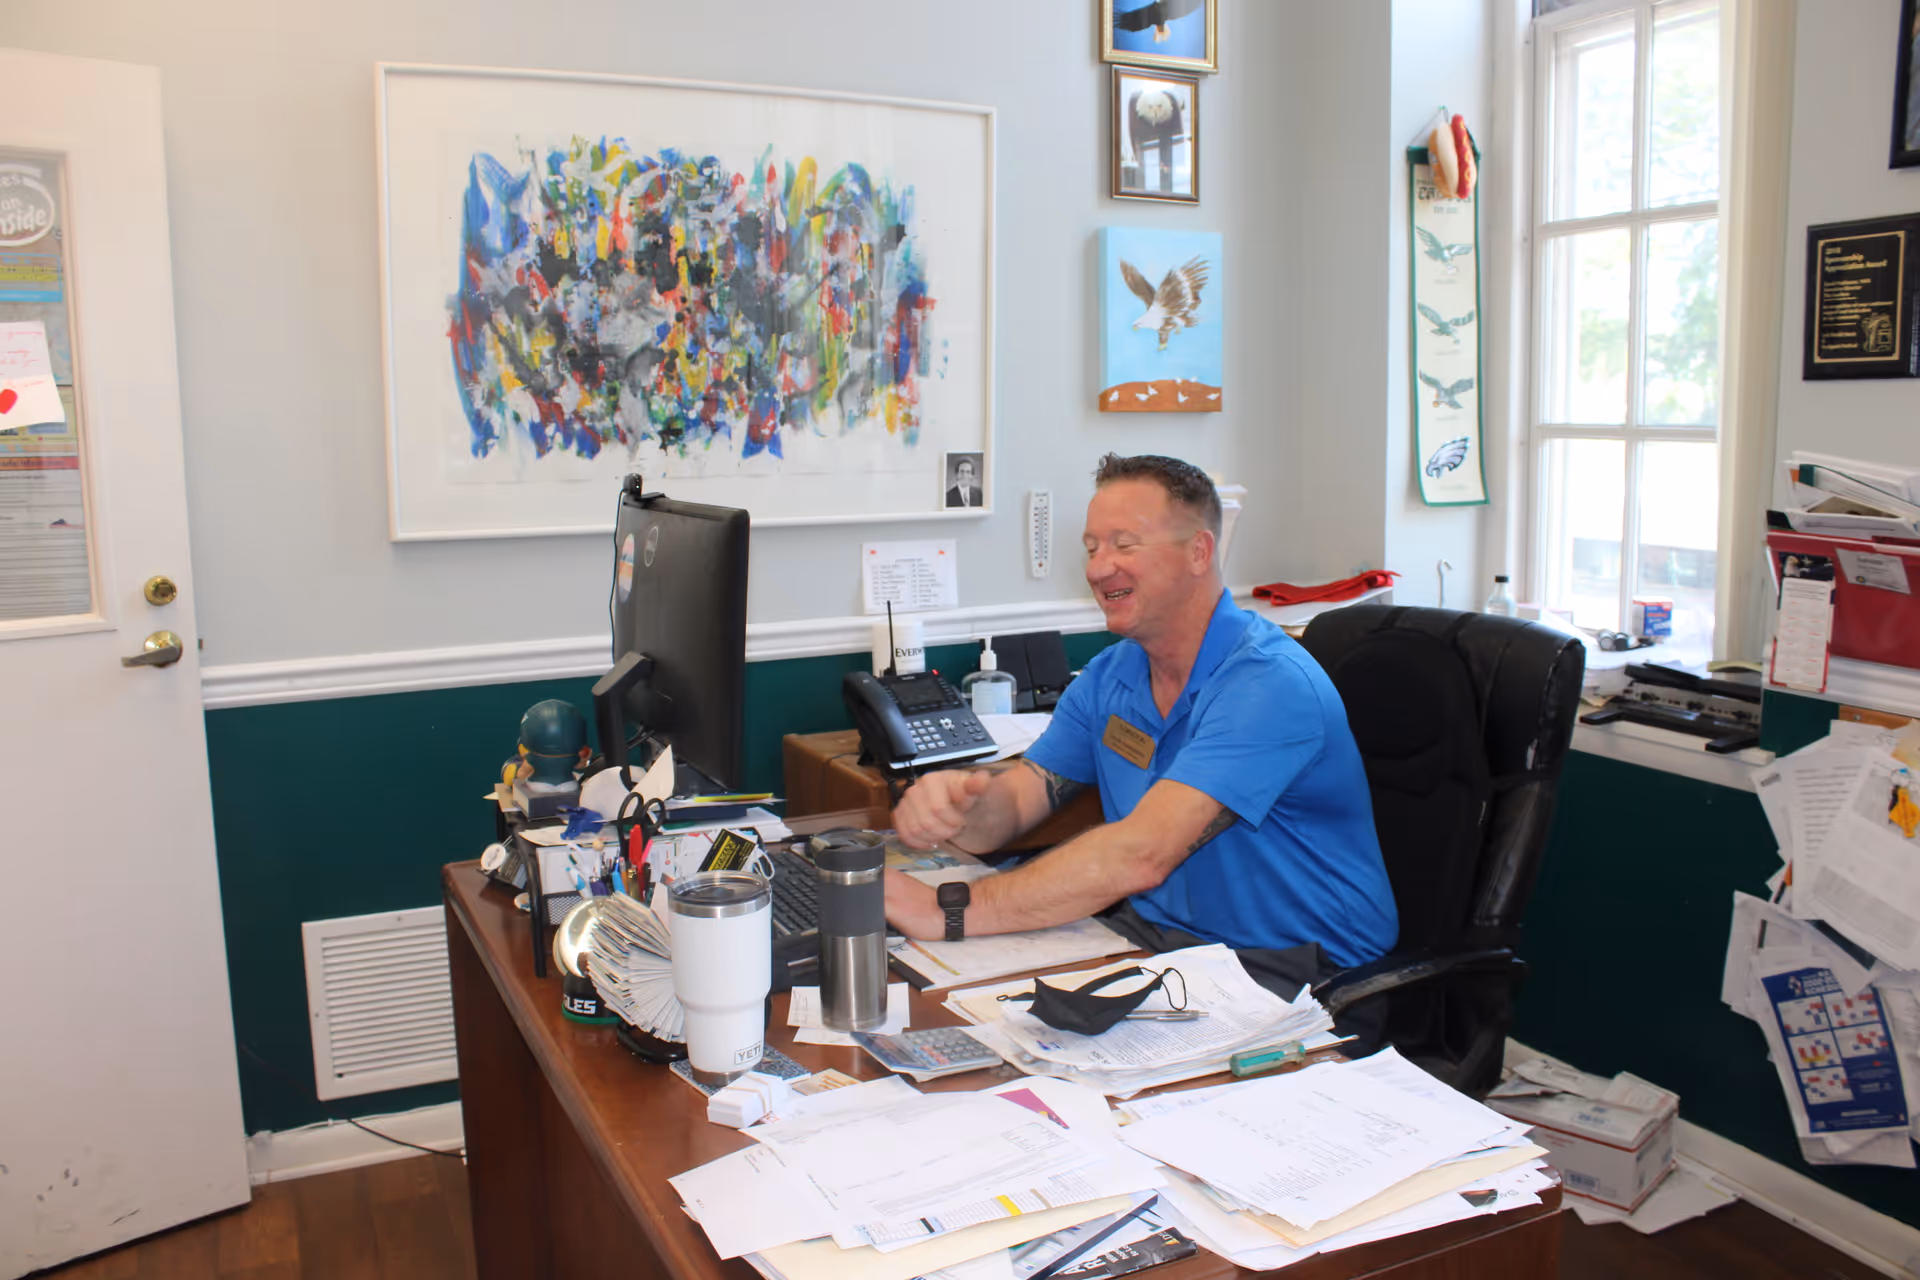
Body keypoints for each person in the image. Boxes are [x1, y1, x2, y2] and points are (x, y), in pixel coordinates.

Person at [884, 453, 1397, 976]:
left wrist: (945, 912)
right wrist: (960, 811)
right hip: (1165, 943)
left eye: (1124, 545)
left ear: (1198, 551)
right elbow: (1019, 801)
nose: (1098, 567)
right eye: (1091, 547)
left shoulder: (1268, 685)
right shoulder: (1112, 674)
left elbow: (1140, 855)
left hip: (1303, 970)